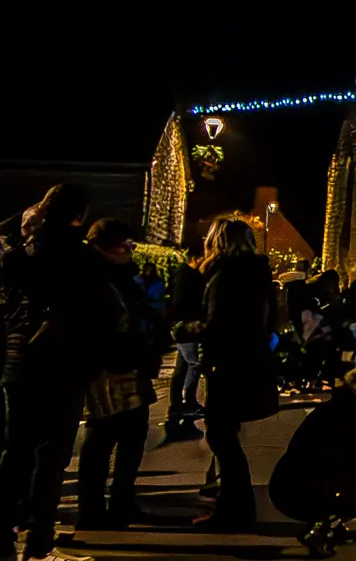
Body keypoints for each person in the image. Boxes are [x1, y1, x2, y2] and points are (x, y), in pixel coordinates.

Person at [0, 184, 124, 561]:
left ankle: (3, 536)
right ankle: (39, 543)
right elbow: (106, 313)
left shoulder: (22, 253)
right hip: (64, 364)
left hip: (19, 360)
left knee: (16, 451)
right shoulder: (82, 258)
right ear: (79, 215)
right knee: (51, 457)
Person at [268, 355, 356, 558]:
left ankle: (333, 523)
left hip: (283, 484)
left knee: (347, 478)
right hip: (302, 495)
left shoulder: (343, 403)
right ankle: (320, 529)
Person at [192, 217, 280, 531]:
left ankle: (235, 510)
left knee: (220, 437)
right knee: (226, 437)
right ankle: (234, 507)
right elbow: (269, 320)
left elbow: (218, 323)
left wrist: (187, 329)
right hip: (250, 362)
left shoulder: (225, 273)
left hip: (227, 364)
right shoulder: (257, 273)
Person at [78, 219, 166, 530]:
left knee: (129, 434)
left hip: (128, 359)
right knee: (103, 435)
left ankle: (120, 502)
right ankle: (93, 508)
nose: (131, 249)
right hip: (108, 364)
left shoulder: (121, 275)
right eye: (124, 243)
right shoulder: (94, 276)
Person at [164, 243, 209, 441]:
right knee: (194, 364)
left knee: (182, 367)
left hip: (181, 324)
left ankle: (177, 405)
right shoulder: (188, 276)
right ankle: (187, 401)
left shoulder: (183, 274)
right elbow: (183, 302)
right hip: (186, 325)